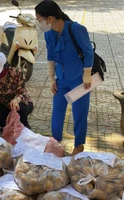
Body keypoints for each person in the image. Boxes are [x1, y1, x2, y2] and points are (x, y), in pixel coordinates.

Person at [35, 0, 94, 155]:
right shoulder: (49, 34)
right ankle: (55, 142)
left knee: (79, 113)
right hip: (61, 79)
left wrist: (87, 75)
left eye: (39, 20)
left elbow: (88, 52)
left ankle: (79, 145)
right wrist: (52, 79)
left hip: (79, 80)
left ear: (50, 18)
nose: (38, 23)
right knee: (57, 111)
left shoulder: (76, 29)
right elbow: (50, 55)